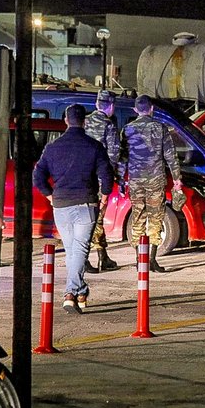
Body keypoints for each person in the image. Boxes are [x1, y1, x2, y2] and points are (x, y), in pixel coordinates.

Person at [33, 104, 112, 314]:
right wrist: (104, 197)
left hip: (61, 206)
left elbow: (37, 176)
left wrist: (50, 196)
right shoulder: (94, 146)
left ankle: (81, 290)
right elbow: (106, 175)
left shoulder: (53, 147)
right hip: (86, 203)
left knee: (73, 250)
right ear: (84, 122)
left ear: (66, 121)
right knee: (80, 249)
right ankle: (70, 293)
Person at [118, 95, 182, 273]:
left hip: (136, 181)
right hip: (156, 180)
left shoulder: (128, 129)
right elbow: (171, 156)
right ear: (152, 108)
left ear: (135, 110)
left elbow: (122, 158)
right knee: (156, 217)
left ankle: (140, 259)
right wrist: (177, 179)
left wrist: (120, 179)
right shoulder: (161, 128)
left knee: (137, 216)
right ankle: (152, 259)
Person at [84, 89, 121, 273]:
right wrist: (113, 176)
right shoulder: (109, 125)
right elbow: (113, 155)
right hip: (99, 178)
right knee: (95, 218)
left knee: (92, 217)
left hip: (83, 176)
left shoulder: (84, 121)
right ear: (111, 106)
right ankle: (85, 258)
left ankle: (102, 256)